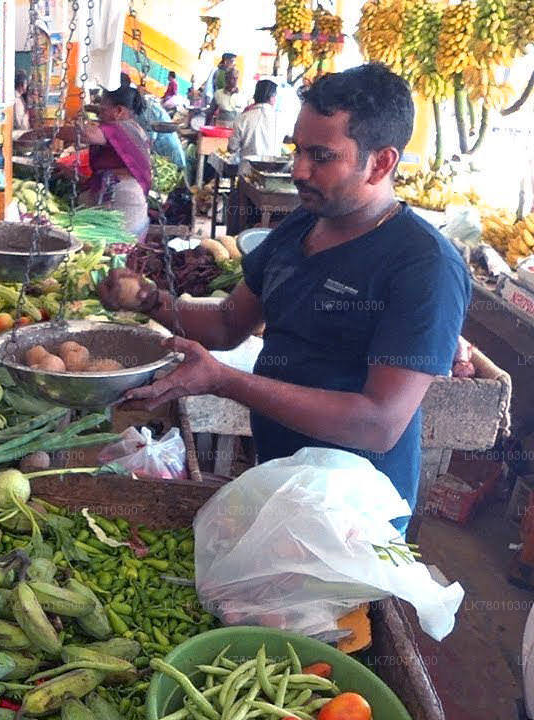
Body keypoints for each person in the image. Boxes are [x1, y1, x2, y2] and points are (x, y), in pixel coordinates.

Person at [98, 65, 469, 533]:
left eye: (321, 156)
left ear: (381, 162)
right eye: (297, 149)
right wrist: (149, 300)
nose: (298, 169)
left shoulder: (424, 267)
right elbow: (228, 324)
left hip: (353, 516)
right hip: (280, 477)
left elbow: (378, 423)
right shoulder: (301, 225)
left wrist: (222, 381)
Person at [69, 85, 153, 239]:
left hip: (123, 205)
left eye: (103, 107)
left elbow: (87, 135)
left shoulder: (120, 128)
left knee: (115, 251)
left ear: (119, 111)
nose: (100, 112)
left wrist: (47, 132)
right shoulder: (133, 127)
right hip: (124, 201)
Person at [229, 80, 283, 161]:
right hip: (274, 170)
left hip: (247, 171)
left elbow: (232, 148)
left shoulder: (243, 118)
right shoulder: (281, 119)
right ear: (272, 98)